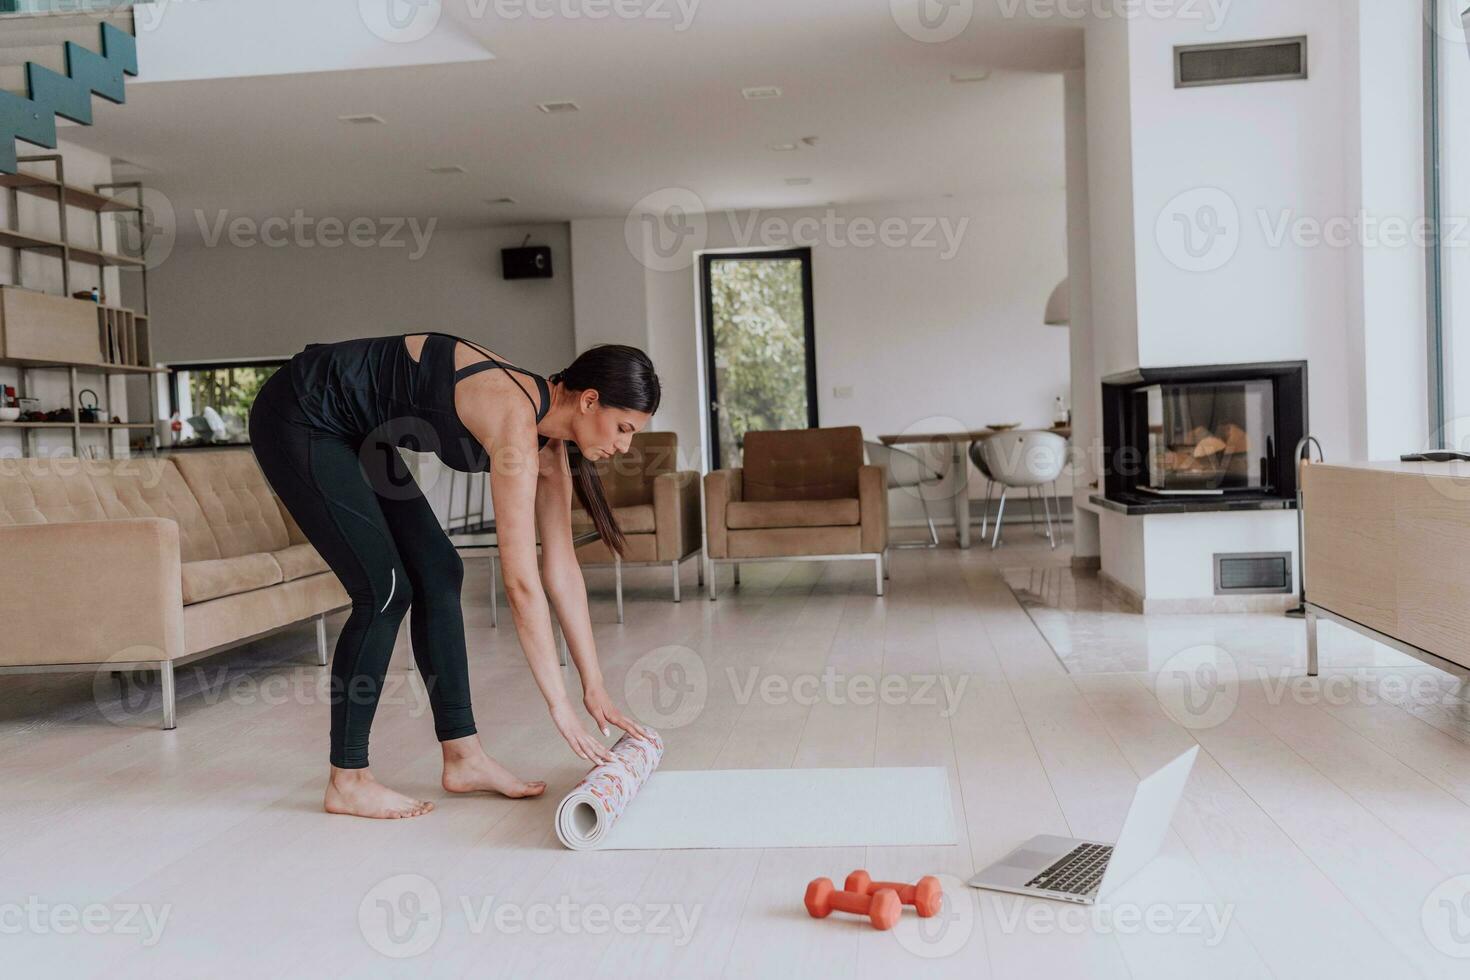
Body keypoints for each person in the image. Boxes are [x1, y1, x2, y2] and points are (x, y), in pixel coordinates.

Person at [247, 332, 657, 819]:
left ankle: (463, 757)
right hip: (300, 411)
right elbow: (521, 583)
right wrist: (559, 707)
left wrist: (594, 686)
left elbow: (561, 569)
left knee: (439, 570)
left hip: (356, 428)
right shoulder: (514, 421)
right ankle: (348, 779)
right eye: (623, 428)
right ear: (589, 400)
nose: (625, 446)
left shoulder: (551, 449)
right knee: (384, 590)